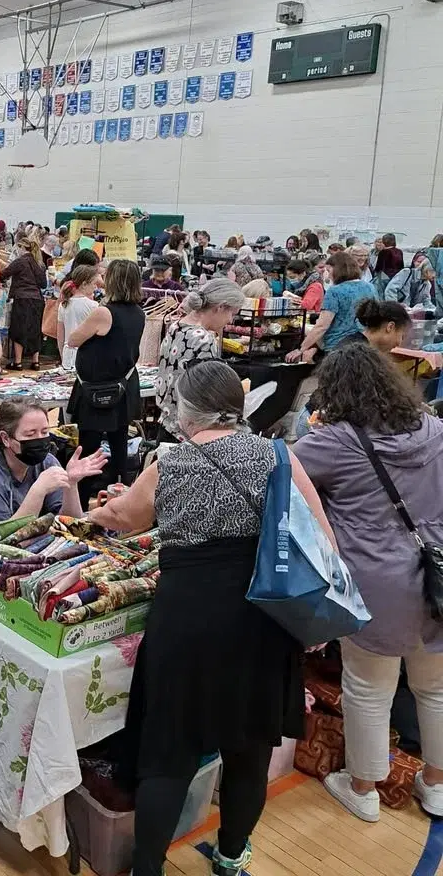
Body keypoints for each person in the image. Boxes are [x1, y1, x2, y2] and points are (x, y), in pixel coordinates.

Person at [91, 361, 326, 876]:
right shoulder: (278, 457)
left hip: (187, 617)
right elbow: (322, 541)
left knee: (168, 753)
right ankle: (231, 856)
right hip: (263, 617)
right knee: (249, 751)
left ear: (184, 410)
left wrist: (98, 510)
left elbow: (126, 519)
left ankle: (146, 867)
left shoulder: (169, 462)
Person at [293, 344, 443, 822]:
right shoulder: (434, 428)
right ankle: (437, 785)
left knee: (368, 687)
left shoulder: (335, 441)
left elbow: (281, 471)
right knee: (436, 687)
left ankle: (363, 789)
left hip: (376, 581)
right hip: (438, 572)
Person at [0, 396, 107, 528]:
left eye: (44, 432)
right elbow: (5, 542)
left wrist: (70, 484)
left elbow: (71, 524)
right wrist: (38, 490)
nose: (40, 440)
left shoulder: (47, 462)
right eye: (30, 434)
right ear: (6, 439)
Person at [67, 260, 145, 506]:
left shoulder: (104, 312)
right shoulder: (139, 313)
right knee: (119, 444)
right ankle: (119, 499)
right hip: (123, 387)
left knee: (89, 448)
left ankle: (79, 503)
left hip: (97, 391)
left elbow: (73, 339)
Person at [156, 279, 247, 441]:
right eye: (232, 313)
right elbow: (208, 393)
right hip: (188, 432)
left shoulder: (176, 326)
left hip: (168, 422)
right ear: (220, 307)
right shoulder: (203, 339)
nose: (230, 321)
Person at [286, 253, 377, 363]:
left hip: (336, 347)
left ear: (338, 269)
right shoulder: (370, 287)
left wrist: (301, 349)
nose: (327, 276)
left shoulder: (334, 292)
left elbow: (322, 326)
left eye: (328, 271)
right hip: (364, 344)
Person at [0, 236, 46, 370]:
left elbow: (4, 274)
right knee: (35, 329)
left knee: (18, 330)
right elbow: (43, 284)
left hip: (22, 299)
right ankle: (35, 362)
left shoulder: (20, 261)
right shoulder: (39, 263)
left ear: (21, 248)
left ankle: (18, 362)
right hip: (37, 300)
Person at [57, 264, 100, 371]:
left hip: (68, 352)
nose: (96, 287)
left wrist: (62, 353)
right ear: (84, 284)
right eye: (94, 283)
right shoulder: (94, 306)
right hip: (87, 353)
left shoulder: (63, 305)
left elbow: (60, 334)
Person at [373, 233, 404, 297]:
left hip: (385, 274)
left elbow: (379, 265)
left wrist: (375, 272)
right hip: (397, 274)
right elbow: (402, 264)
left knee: (383, 292)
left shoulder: (383, 252)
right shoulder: (399, 251)